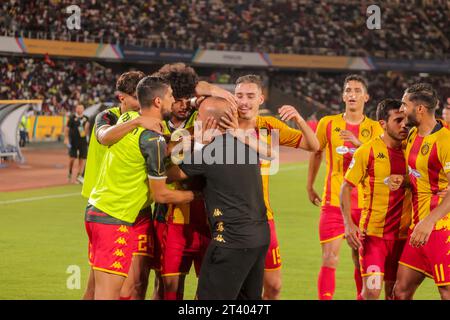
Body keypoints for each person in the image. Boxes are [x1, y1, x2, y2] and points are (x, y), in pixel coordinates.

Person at [85, 76, 194, 300]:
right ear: (157, 101)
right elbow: (161, 194)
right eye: (171, 95)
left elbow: (159, 146)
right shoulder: (148, 136)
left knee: (101, 290)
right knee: (107, 295)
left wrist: (192, 136)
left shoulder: (127, 117)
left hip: (99, 211)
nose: (173, 100)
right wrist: (195, 194)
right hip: (115, 217)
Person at [168, 96, 271, 300]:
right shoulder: (247, 146)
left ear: (209, 122)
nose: (196, 121)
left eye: (199, 117)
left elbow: (172, 174)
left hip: (231, 241)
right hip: (259, 238)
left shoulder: (210, 152)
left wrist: (196, 143)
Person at [152, 62, 237, 300]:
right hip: (169, 213)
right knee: (166, 286)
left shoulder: (202, 117)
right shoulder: (155, 124)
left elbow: (199, 86)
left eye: (187, 99)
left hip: (208, 215)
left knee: (209, 288)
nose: (181, 105)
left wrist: (215, 91)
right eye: (176, 99)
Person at [232, 74, 319, 299]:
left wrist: (299, 119)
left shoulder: (269, 126)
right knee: (231, 289)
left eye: (250, 96)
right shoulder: (223, 126)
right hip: (229, 221)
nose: (244, 101)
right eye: (239, 95)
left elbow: (313, 145)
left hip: (263, 219)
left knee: (274, 287)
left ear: (261, 99)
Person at [81, 71, 162, 300]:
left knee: (134, 285)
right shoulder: (107, 117)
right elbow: (104, 137)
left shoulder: (152, 123)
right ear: (122, 98)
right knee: (97, 288)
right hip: (110, 209)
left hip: (140, 212)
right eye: (136, 98)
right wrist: (137, 121)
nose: (141, 104)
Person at [307, 74, 383, 300]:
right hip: (334, 203)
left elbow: (381, 161)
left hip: (366, 205)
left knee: (361, 260)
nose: (352, 94)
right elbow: (316, 152)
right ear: (342, 96)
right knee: (330, 258)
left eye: (357, 90)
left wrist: (359, 144)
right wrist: (310, 185)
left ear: (366, 97)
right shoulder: (328, 123)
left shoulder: (376, 128)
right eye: (348, 90)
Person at [340, 99, 411, 300]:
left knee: (396, 293)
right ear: (382, 123)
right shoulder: (367, 151)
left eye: (406, 119)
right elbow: (346, 187)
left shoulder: (413, 149)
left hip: (404, 237)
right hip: (374, 238)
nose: (404, 124)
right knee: (371, 292)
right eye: (398, 120)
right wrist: (348, 223)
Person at [393, 83, 450, 300]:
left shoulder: (445, 141)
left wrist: (429, 222)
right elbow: (422, 176)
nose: (401, 109)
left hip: (441, 227)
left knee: (446, 292)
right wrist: (404, 180)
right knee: (400, 291)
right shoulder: (412, 135)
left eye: (404, 104)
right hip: (418, 228)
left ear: (420, 109)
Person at [64, 104, 89, 183]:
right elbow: (67, 129)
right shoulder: (72, 118)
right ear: (76, 109)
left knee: (82, 159)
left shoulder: (86, 118)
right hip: (73, 142)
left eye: (81, 108)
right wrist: (66, 138)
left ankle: (79, 176)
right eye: (78, 108)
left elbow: (86, 130)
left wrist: (86, 131)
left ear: (83, 109)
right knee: (72, 159)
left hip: (83, 141)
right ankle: (70, 173)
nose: (79, 109)